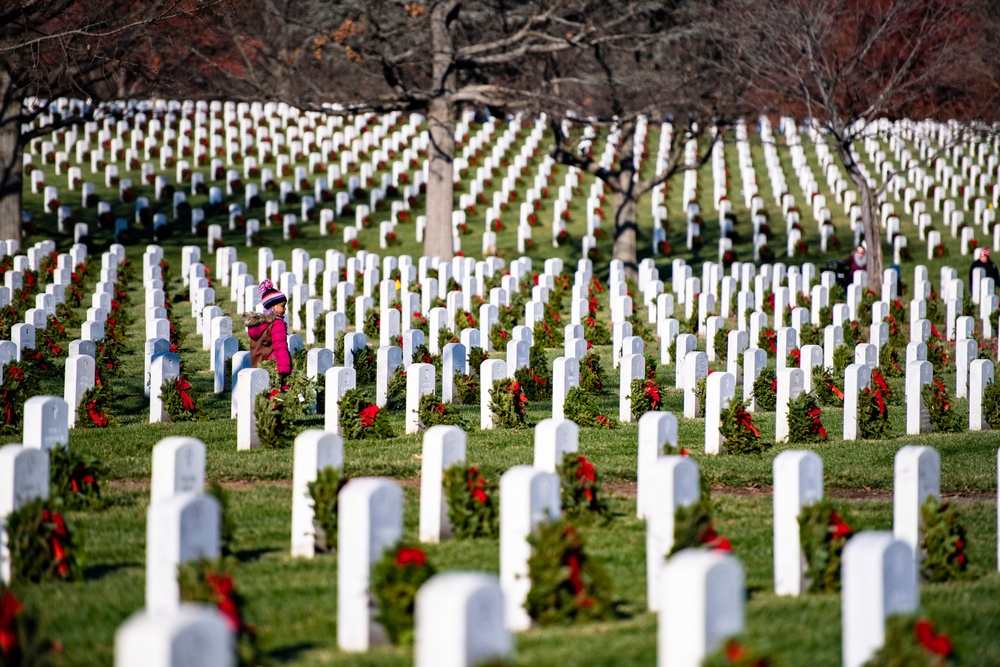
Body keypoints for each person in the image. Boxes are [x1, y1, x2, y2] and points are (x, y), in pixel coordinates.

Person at [243, 279, 291, 387]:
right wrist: (284, 370)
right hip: (274, 365)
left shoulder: (261, 323)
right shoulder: (277, 323)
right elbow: (280, 347)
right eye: (283, 306)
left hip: (259, 364)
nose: (285, 309)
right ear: (273, 306)